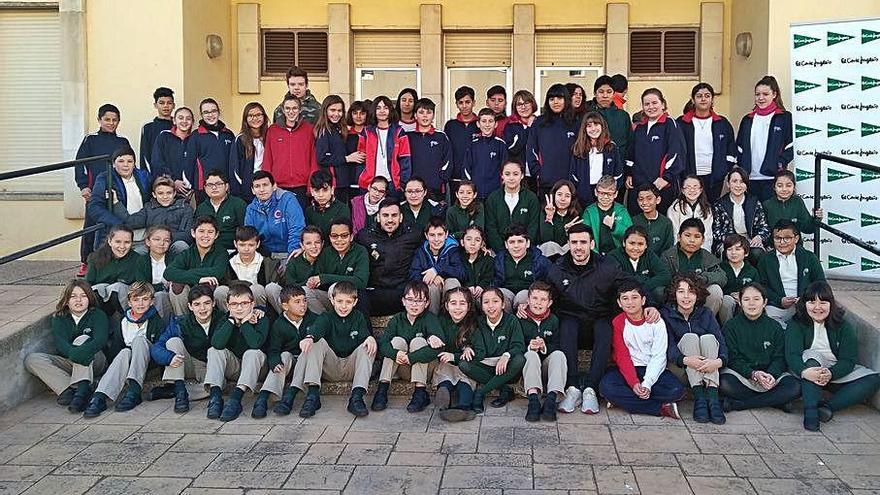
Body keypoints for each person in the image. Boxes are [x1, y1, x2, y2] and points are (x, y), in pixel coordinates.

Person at [547, 223, 650, 415]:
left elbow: (629, 283)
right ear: (568, 244)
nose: (578, 247)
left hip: (598, 318)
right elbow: (545, 294)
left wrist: (649, 304)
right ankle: (572, 387)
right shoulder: (558, 268)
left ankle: (591, 389)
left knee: (605, 328)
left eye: (583, 242)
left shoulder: (607, 266)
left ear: (592, 243)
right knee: (567, 326)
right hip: (572, 319)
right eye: (574, 242)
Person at [787, 282, 880, 431]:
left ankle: (826, 407)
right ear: (805, 304)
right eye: (812, 302)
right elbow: (792, 355)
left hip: (834, 369)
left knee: (874, 379)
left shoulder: (843, 325)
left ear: (831, 304)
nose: (817, 307)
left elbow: (848, 359)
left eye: (823, 302)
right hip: (808, 370)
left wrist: (831, 373)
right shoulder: (796, 323)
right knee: (812, 358)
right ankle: (810, 412)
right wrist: (805, 372)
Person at [600, 281, 684, 419]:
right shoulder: (618, 322)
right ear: (619, 303)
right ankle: (660, 408)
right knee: (606, 387)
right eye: (625, 298)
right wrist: (634, 383)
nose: (630, 302)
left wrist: (647, 384)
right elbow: (622, 356)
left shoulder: (656, 321)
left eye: (634, 297)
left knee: (676, 390)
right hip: (628, 370)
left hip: (652, 368)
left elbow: (659, 356)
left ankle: (623, 400)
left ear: (643, 300)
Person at [24, 280, 108, 413]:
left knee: (82, 340)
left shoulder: (97, 315)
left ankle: (81, 393)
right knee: (32, 359)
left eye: (83, 296)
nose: (78, 300)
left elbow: (100, 341)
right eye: (73, 296)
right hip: (70, 361)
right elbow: (61, 344)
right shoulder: (59, 317)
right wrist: (75, 354)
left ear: (90, 298)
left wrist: (79, 351)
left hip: (95, 361)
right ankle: (68, 391)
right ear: (66, 300)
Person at [82, 282, 164, 418]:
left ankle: (134, 391)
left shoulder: (156, 321)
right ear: (129, 302)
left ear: (152, 302)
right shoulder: (124, 322)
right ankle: (100, 396)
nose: (140, 304)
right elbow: (116, 351)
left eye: (145, 299)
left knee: (139, 340)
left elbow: (160, 348)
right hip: (126, 366)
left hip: (148, 365)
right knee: (125, 351)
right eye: (136, 300)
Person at [300, 281, 378, 417]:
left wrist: (370, 338)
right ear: (332, 300)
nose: (343, 306)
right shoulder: (326, 317)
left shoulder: (358, 317)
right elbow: (316, 329)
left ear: (355, 302)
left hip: (351, 367)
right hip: (331, 367)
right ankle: (312, 396)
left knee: (368, 345)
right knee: (316, 343)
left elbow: (364, 334)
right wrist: (310, 337)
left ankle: (356, 397)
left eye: (348, 302)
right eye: (340, 301)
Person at [719, 282, 800, 413]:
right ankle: (777, 401)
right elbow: (732, 358)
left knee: (795, 386)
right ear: (740, 302)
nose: (751, 303)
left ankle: (739, 405)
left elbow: (780, 357)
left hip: (770, 376)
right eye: (746, 299)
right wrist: (753, 373)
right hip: (744, 376)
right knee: (724, 383)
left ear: (764, 302)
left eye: (756, 299)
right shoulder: (731, 326)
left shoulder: (775, 327)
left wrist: (771, 375)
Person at [662, 273, 728, 424]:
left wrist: (719, 362)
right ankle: (699, 397)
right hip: (679, 367)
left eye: (691, 291)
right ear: (674, 294)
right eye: (681, 291)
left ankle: (712, 398)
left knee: (709, 338)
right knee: (690, 337)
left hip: (707, 368)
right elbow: (667, 346)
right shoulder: (666, 314)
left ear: (698, 295)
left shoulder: (706, 313)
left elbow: (721, 342)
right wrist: (685, 360)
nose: (686, 296)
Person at [75, 103, 132, 276]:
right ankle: (86, 261)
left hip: (117, 191)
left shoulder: (122, 141)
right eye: (107, 119)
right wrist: (84, 186)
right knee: (91, 227)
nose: (111, 123)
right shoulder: (90, 139)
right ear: (99, 120)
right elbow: (80, 165)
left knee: (115, 225)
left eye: (115, 120)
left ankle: (113, 259)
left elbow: (128, 164)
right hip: (95, 192)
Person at [149, 283, 223, 414]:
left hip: (208, 366)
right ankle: (180, 394)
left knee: (215, 385)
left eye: (206, 303)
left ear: (213, 303)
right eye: (197, 304)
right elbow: (157, 348)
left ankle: (174, 390)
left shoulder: (222, 319)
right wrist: (169, 357)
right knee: (173, 341)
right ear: (190, 306)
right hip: (186, 362)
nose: (202, 308)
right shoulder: (181, 322)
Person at [373, 281, 441, 413]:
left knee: (418, 342)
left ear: (426, 303)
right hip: (403, 368)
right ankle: (382, 389)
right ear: (403, 301)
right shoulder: (397, 319)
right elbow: (383, 344)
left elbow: (438, 348)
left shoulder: (430, 319)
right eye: (410, 299)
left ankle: (420, 392)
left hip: (425, 371)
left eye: (419, 300)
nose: (414, 304)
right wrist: (396, 354)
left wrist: (411, 357)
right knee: (397, 341)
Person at [204, 284, 269, 422]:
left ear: (253, 304)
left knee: (253, 352)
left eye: (244, 303)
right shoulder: (225, 319)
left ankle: (235, 399)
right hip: (234, 367)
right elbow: (216, 343)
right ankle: (215, 397)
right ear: (228, 305)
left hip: (257, 369)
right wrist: (232, 321)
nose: (239, 308)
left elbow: (255, 343)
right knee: (214, 351)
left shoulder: (261, 319)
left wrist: (245, 323)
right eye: (234, 304)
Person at [254, 286, 319, 418]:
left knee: (308, 350)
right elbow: (273, 349)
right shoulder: (278, 324)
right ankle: (264, 396)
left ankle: (289, 397)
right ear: (285, 306)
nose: (303, 305)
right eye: (297, 302)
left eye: (304, 300)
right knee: (283, 355)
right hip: (289, 363)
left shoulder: (314, 319)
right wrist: (274, 362)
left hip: (308, 363)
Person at [459, 288, 526, 413]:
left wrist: (506, 355)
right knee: (463, 364)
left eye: (495, 301)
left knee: (520, 359)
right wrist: (466, 347)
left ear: (503, 304)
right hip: (486, 365)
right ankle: (504, 389)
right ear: (482, 306)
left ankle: (480, 393)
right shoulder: (477, 322)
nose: (491, 306)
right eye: (486, 302)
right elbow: (466, 340)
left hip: (507, 368)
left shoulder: (511, 321)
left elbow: (519, 346)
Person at [355, 199, 423, 316]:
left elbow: (435, 245)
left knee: (420, 294)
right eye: (385, 215)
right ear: (378, 217)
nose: (390, 220)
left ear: (401, 217)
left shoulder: (413, 234)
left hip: (403, 292)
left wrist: (436, 270)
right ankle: (367, 335)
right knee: (357, 296)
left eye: (394, 215)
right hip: (375, 291)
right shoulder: (364, 236)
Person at [626, 88, 685, 215]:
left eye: (654, 103)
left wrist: (666, 178)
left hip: (660, 186)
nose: (650, 107)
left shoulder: (670, 124)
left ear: (662, 104)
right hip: (639, 186)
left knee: (660, 223)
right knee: (638, 224)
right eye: (647, 104)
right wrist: (629, 174)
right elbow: (632, 153)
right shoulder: (640, 128)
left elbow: (676, 153)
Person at [757, 220, 825, 328]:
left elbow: (821, 284)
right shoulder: (765, 260)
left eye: (787, 238)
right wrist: (780, 300)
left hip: (805, 306)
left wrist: (804, 298)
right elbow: (762, 286)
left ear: (796, 239)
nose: (782, 242)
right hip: (776, 307)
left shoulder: (809, 257)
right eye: (778, 238)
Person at [736, 75, 793, 202]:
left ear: (774, 95)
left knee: (771, 217)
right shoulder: (747, 120)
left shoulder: (784, 118)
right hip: (750, 178)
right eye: (757, 94)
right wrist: (743, 167)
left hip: (773, 178)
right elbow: (739, 147)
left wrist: (779, 163)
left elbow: (791, 146)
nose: (761, 98)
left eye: (765, 94)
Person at [677, 83, 737, 203]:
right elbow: (676, 149)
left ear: (712, 99)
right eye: (699, 96)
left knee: (711, 208)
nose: (703, 99)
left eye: (707, 95)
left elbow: (731, 149)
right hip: (689, 176)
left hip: (714, 177)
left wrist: (723, 169)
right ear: (693, 100)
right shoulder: (682, 123)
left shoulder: (722, 123)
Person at [86, 146, 150, 251]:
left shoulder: (144, 177)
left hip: (141, 238)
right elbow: (95, 208)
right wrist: (119, 225)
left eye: (130, 161)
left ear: (134, 164)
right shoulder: (105, 178)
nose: (125, 165)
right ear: (114, 164)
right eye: (121, 161)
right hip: (114, 237)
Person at [660, 218, 727, 315]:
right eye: (687, 235)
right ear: (679, 237)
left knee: (715, 290)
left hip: (700, 297)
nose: (692, 240)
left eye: (697, 236)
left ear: (703, 240)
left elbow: (722, 277)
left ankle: (704, 321)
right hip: (676, 298)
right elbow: (663, 279)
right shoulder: (668, 256)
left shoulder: (706, 256)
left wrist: (703, 278)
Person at [520, 281, 566, 422]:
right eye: (534, 298)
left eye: (543, 300)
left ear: (549, 303)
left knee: (559, 355)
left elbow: (558, 344)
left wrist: (544, 346)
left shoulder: (553, 320)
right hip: (527, 369)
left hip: (546, 367)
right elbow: (515, 345)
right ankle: (533, 400)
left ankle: (551, 400)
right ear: (528, 300)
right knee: (531, 355)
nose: (538, 303)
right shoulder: (519, 319)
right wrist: (529, 347)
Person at [163, 216, 228, 316]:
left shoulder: (221, 252)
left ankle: (225, 322)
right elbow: (169, 272)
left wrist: (188, 274)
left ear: (216, 235)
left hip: (213, 292)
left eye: (210, 232)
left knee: (219, 289)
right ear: (193, 233)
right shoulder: (187, 253)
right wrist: (199, 279)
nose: (205, 236)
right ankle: (182, 321)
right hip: (191, 295)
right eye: (201, 231)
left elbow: (217, 272)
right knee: (176, 286)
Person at [262, 94, 318, 206]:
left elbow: (313, 159)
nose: (291, 111)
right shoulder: (273, 130)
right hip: (278, 186)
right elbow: (267, 159)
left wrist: (311, 184)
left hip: (302, 186)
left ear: (300, 109)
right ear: (283, 109)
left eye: (294, 108)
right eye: (287, 108)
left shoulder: (308, 129)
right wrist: (267, 184)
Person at [115, 176, 193, 254]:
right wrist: (116, 202)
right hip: (152, 245)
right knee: (138, 253)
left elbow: (186, 234)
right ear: (154, 194)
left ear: (174, 193)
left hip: (173, 243)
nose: (165, 197)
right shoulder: (149, 208)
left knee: (181, 246)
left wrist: (162, 240)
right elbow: (130, 222)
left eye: (169, 193)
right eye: (160, 193)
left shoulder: (185, 207)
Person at [244, 171, 306, 270]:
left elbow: (297, 227)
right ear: (252, 190)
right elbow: (249, 236)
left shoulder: (287, 199)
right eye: (257, 186)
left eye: (265, 185)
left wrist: (292, 256)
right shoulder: (251, 209)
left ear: (274, 186)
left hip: (289, 253)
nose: (262, 189)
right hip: (266, 256)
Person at [527, 84, 579, 198]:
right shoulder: (539, 123)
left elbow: (580, 152)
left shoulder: (575, 124)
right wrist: (539, 174)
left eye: (559, 98)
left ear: (566, 100)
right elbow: (531, 151)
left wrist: (575, 176)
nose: (555, 102)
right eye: (551, 99)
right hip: (546, 183)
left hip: (570, 184)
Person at [435, 287, 479, 421]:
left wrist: (468, 347)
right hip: (446, 363)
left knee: (465, 380)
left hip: (464, 363)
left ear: (469, 306)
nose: (458, 308)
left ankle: (464, 407)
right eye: (453, 303)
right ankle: (443, 400)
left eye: (462, 303)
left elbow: (478, 348)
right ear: (446, 306)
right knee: (444, 377)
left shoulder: (474, 323)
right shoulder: (440, 321)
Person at [358, 96, 412, 198]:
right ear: (374, 110)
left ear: (390, 110)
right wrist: (362, 178)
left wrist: (402, 183)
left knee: (390, 212)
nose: (382, 111)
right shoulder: (366, 132)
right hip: (370, 183)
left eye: (385, 108)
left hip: (392, 183)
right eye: (378, 108)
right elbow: (360, 158)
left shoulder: (399, 131)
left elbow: (405, 159)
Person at [711, 167, 770, 259]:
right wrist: (733, 241)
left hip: (750, 241)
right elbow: (716, 231)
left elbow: (764, 227)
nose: (738, 185)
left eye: (742, 182)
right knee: (729, 253)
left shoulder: (754, 202)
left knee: (757, 253)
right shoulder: (719, 205)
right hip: (729, 242)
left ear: (746, 184)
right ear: (728, 184)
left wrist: (759, 237)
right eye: (734, 181)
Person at [408, 217, 465, 314]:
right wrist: (431, 277)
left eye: (440, 235)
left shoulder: (453, 249)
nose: (436, 239)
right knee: (431, 286)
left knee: (452, 283)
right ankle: (433, 320)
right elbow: (414, 274)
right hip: (431, 292)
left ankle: (451, 319)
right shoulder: (421, 251)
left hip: (447, 285)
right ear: (426, 235)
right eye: (432, 235)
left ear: (446, 234)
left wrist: (437, 270)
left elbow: (461, 273)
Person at [85, 224, 145, 315]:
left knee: (117, 288)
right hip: (101, 300)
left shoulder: (138, 260)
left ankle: (127, 319)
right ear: (109, 241)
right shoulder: (95, 257)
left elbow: (141, 285)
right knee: (96, 289)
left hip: (125, 300)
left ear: (132, 243)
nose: (122, 246)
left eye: (127, 242)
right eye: (118, 242)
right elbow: (88, 282)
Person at [183, 98, 235, 201]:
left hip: (226, 187)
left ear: (219, 112)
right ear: (202, 115)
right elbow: (189, 162)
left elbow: (233, 162)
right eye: (206, 112)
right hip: (204, 188)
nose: (210, 115)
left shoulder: (228, 134)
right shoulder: (196, 136)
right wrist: (191, 186)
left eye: (213, 111)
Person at [315, 95, 364, 205]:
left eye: (339, 111)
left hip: (344, 181)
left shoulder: (339, 129)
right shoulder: (324, 131)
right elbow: (322, 158)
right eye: (333, 110)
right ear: (325, 111)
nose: (336, 114)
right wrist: (347, 158)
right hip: (334, 182)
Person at [570, 111, 624, 205]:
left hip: (605, 195)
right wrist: (580, 192)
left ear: (602, 126)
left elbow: (618, 174)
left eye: (596, 124)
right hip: (584, 196)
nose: (593, 129)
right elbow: (573, 175)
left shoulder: (611, 147)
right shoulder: (579, 148)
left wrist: (609, 192)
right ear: (584, 129)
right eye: (589, 126)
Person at [606, 226, 672, 304]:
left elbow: (665, 275)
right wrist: (643, 279)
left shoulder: (649, 254)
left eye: (640, 244)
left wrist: (643, 286)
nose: (636, 248)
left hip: (645, 294)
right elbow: (616, 280)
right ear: (624, 243)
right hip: (623, 299)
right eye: (632, 243)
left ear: (646, 245)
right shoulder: (613, 256)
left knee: (659, 291)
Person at [485, 161, 540, 252]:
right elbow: (491, 228)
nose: (511, 178)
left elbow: (533, 227)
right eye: (507, 174)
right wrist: (502, 250)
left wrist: (523, 248)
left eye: (515, 174)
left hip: (526, 250)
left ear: (522, 175)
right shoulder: (493, 198)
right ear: (502, 175)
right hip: (499, 251)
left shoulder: (531, 198)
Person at [494, 224, 551, 313]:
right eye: (512, 242)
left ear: (527, 243)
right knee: (499, 294)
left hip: (528, 296)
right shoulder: (499, 260)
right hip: (507, 296)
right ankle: (508, 322)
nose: (516, 246)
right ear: (506, 244)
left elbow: (548, 284)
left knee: (523, 296)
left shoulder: (540, 261)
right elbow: (493, 282)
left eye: (520, 241)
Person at [214, 226, 271, 312]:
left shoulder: (267, 262)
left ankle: (258, 317)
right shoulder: (228, 262)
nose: (246, 249)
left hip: (256, 302)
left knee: (257, 289)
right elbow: (225, 282)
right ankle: (231, 319)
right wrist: (248, 284)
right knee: (220, 291)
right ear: (235, 244)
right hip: (234, 298)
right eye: (242, 245)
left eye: (251, 245)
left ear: (258, 244)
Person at [267, 226, 323, 314]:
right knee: (271, 288)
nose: (313, 246)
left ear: (322, 244)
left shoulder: (326, 256)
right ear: (302, 245)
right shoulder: (294, 261)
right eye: (308, 243)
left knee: (306, 291)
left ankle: (323, 321)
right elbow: (290, 286)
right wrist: (307, 284)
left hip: (317, 298)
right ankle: (288, 319)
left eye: (317, 242)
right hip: (295, 295)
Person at [406, 98, 451, 202]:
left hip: (435, 188)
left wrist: (440, 179)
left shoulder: (441, 136)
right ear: (415, 116)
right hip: (412, 188)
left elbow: (448, 160)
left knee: (436, 217)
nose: (425, 116)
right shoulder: (408, 136)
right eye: (421, 112)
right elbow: (402, 161)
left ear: (433, 115)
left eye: (429, 112)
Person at [193, 170, 248, 252]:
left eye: (218, 184)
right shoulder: (201, 208)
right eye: (210, 185)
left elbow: (245, 232)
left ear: (226, 186)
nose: (214, 188)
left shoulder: (238, 204)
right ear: (204, 188)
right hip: (206, 250)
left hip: (232, 250)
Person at [763, 170, 822, 243]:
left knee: (810, 255)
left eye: (788, 185)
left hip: (795, 246)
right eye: (780, 186)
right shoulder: (767, 204)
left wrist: (816, 218)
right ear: (774, 187)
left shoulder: (797, 201)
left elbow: (808, 229)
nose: (784, 189)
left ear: (794, 187)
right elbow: (764, 230)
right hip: (774, 246)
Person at [581, 175, 633, 256]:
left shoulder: (621, 210)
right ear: (595, 192)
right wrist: (595, 254)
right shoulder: (589, 212)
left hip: (619, 255)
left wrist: (614, 226)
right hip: (596, 255)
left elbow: (631, 235)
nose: (605, 197)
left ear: (616, 194)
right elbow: (584, 236)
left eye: (609, 194)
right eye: (601, 193)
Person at [463, 108, 507, 200]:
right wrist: (469, 189)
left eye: (490, 121)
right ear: (478, 124)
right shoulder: (472, 145)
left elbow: (505, 170)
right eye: (484, 121)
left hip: (495, 194)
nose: (487, 125)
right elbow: (466, 169)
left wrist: (501, 189)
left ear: (496, 124)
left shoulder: (500, 144)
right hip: (475, 194)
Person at [584, 75, 632, 159]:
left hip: (618, 165)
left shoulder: (623, 116)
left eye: (609, 92)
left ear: (613, 93)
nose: (605, 96)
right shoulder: (586, 114)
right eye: (601, 92)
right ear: (595, 93)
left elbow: (630, 143)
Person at [229, 102, 268, 202]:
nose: (255, 118)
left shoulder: (269, 136)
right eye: (251, 115)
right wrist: (241, 189)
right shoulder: (240, 139)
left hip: (267, 185)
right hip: (248, 189)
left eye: (258, 115)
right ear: (245, 118)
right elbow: (234, 169)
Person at [444, 86, 479, 193]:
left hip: (476, 175)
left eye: (467, 102)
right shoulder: (450, 125)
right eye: (461, 102)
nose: (464, 106)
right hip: (455, 177)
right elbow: (446, 151)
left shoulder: (481, 125)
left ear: (473, 102)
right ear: (456, 104)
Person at [719, 234, 759, 324]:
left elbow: (757, 290)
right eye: (729, 249)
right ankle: (727, 330)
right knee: (727, 301)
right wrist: (730, 294)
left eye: (738, 249)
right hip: (728, 301)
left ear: (746, 253)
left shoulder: (752, 271)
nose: (733, 253)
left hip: (746, 301)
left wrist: (743, 296)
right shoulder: (720, 268)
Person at [137, 225, 175, 320]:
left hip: (170, 297)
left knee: (160, 296)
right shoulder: (141, 261)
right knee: (158, 295)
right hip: (148, 296)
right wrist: (161, 286)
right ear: (148, 242)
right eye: (157, 239)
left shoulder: (175, 259)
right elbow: (142, 285)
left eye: (166, 240)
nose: (161, 243)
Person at [667, 175, 714, 252]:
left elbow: (708, 235)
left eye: (695, 187)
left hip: (701, 249)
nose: (692, 190)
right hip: (681, 250)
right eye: (688, 187)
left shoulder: (706, 209)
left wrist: (703, 253)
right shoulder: (675, 209)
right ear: (682, 190)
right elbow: (675, 234)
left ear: (701, 189)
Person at [150, 107, 193, 187]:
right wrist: (173, 180)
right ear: (174, 121)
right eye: (181, 118)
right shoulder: (164, 136)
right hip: (167, 187)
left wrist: (193, 186)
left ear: (192, 122)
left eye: (188, 118)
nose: (184, 121)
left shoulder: (195, 139)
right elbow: (157, 162)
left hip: (190, 189)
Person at [538, 179, 582, 258]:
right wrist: (549, 218)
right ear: (554, 195)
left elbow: (575, 243)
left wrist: (567, 232)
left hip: (568, 257)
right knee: (550, 245)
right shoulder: (545, 211)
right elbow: (546, 240)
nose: (563, 199)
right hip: (549, 254)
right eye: (559, 194)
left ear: (572, 198)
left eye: (567, 196)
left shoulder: (576, 214)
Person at [305, 169, 352, 237]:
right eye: (317, 191)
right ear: (312, 191)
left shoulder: (343, 209)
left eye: (325, 190)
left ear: (332, 190)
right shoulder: (309, 211)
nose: (321, 195)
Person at [139, 87, 175, 177]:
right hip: (156, 179)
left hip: (178, 180)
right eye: (162, 103)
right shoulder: (148, 128)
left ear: (174, 105)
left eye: (169, 103)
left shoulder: (179, 126)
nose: (166, 106)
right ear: (155, 105)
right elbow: (145, 157)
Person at [631, 184, 674, 256]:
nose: (644, 202)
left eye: (649, 198)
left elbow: (668, 248)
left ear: (658, 200)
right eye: (641, 199)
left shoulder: (666, 223)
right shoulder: (633, 221)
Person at [504, 90, 538, 178]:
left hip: (537, 173)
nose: (523, 107)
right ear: (515, 108)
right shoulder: (511, 126)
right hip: (518, 174)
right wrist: (528, 129)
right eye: (519, 104)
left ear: (532, 104)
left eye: (526, 103)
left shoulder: (541, 124)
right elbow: (512, 149)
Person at [343, 100, 370, 203]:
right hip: (350, 176)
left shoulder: (372, 134)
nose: (358, 116)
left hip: (368, 177)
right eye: (355, 113)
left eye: (362, 113)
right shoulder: (345, 135)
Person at [460, 225, 494, 301]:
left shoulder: (488, 260)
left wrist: (481, 286)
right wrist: (468, 285)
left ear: (482, 244)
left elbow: (489, 277)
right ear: (462, 242)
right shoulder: (458, 259)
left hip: (482, 294)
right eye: (468, 239)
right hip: (463, 294)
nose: (473, 243)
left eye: (477, 240)